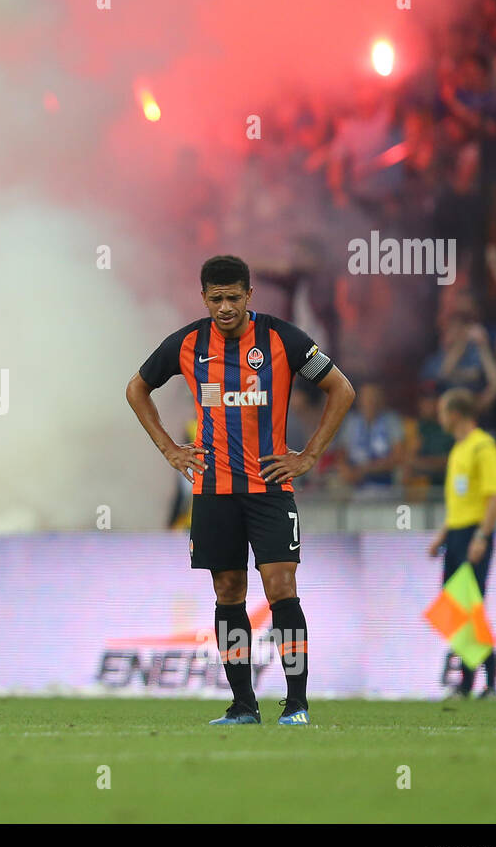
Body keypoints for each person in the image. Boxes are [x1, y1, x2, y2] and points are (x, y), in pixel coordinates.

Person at [127, 255, 355, 726]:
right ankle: (242, 705)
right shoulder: (188, 343)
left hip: (270, 487)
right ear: (204, 297)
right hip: (213, 492)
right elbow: (136, 389)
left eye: (234, 297)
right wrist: (171, 449)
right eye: (217, 299)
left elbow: (342, 389)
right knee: (228, 592)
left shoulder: (281, 339)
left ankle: (296, 704)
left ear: (250, 295)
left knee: (281, 588)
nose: (226, 307)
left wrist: (308, 455)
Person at [429, 388, 496, 699]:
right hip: (458, 535)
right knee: (457, 609)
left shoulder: (482, 447)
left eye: (443, 411)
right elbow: (460, 502)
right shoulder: (459, 449)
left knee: (470, 608)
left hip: (475, 533)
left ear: (456, 414)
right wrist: (442, 536)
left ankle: (482, 684)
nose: (440, 418)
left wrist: (482, 536)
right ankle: (471, 683)